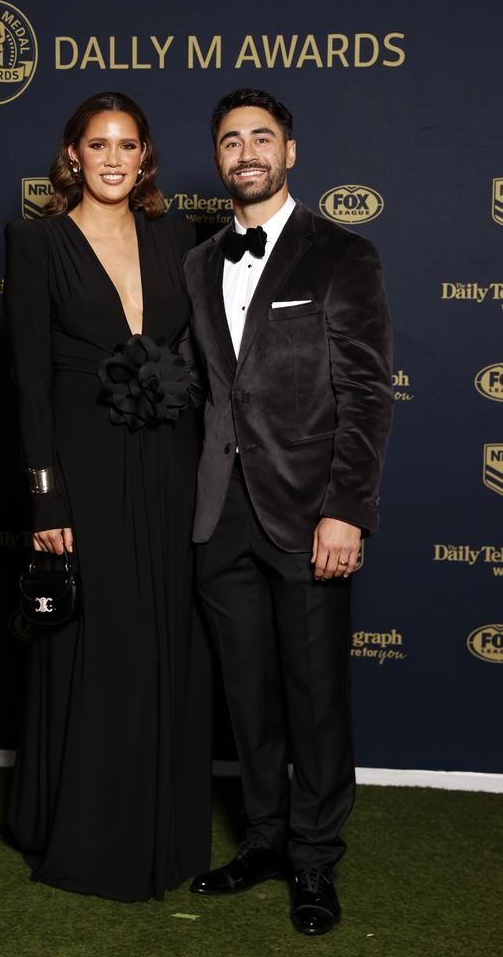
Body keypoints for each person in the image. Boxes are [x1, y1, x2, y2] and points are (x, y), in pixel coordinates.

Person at [183, 88, 393, 935]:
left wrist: (347, 510)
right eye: (231, 140)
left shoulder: (342, 253)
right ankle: (265, 838)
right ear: (218, 157)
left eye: (261, 138)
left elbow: (368, 392)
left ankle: (314, 859)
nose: (246, 152)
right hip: (217, 515)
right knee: (248, 696)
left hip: (308, 513)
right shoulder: (198, 264)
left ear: (291, 152)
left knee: (315, 696)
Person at [1, 92, 211, 902]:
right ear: (73, 155)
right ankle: (87, 829)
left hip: (167, 460)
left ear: (146, 156)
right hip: (82, 469)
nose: (115, 159)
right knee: (100, 640)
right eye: (99, 145)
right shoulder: (35, 240)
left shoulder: (176, 235)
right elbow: (29, 383)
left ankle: (162, 825)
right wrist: (45, 500)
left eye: (129, 145)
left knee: (160, 633)